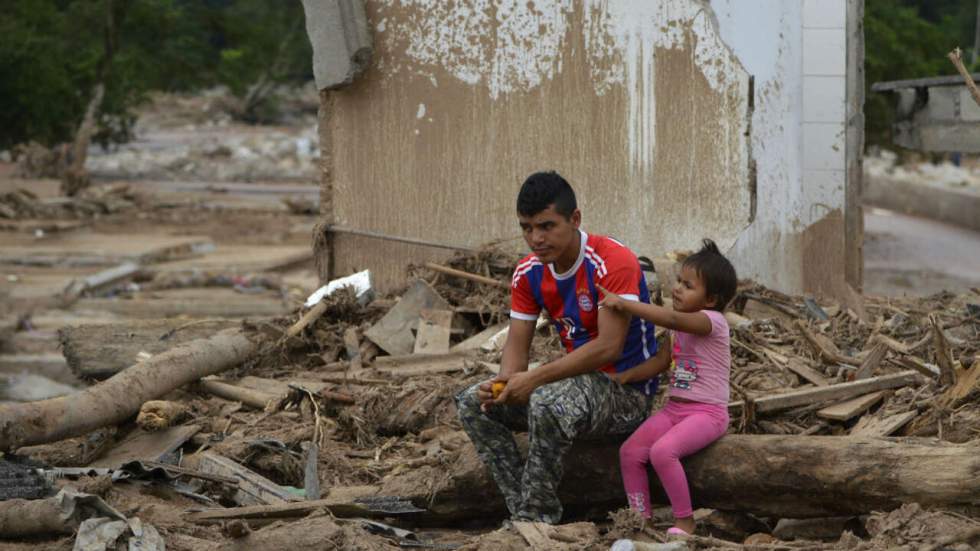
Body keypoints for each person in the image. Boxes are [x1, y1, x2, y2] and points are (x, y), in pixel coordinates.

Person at [455, 170, 660, 524]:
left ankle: (538, 517)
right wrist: (505, 384)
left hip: (625, 393)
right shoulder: (528, 273)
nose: (536, 238)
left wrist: (534, 381)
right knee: (475, 402)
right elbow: (517, 349)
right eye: (527, 228)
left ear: (575, 219)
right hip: (575, 388)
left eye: (547, 226)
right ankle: (520, 506)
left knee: (547, 402)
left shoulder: (612, 261)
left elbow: (608, 348)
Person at [598, 239, 737, 537]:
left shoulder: (712, 322)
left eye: (687, 286)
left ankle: (685, 520)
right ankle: (640, 519)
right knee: (630, 451)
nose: (677, 288)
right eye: (678, 281)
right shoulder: (680, 327)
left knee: (663, 452)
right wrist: (625, 377)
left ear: (711, 299)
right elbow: (662, 361)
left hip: (708, 413)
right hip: (676, 409)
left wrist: (625, 303)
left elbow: (672, 317)